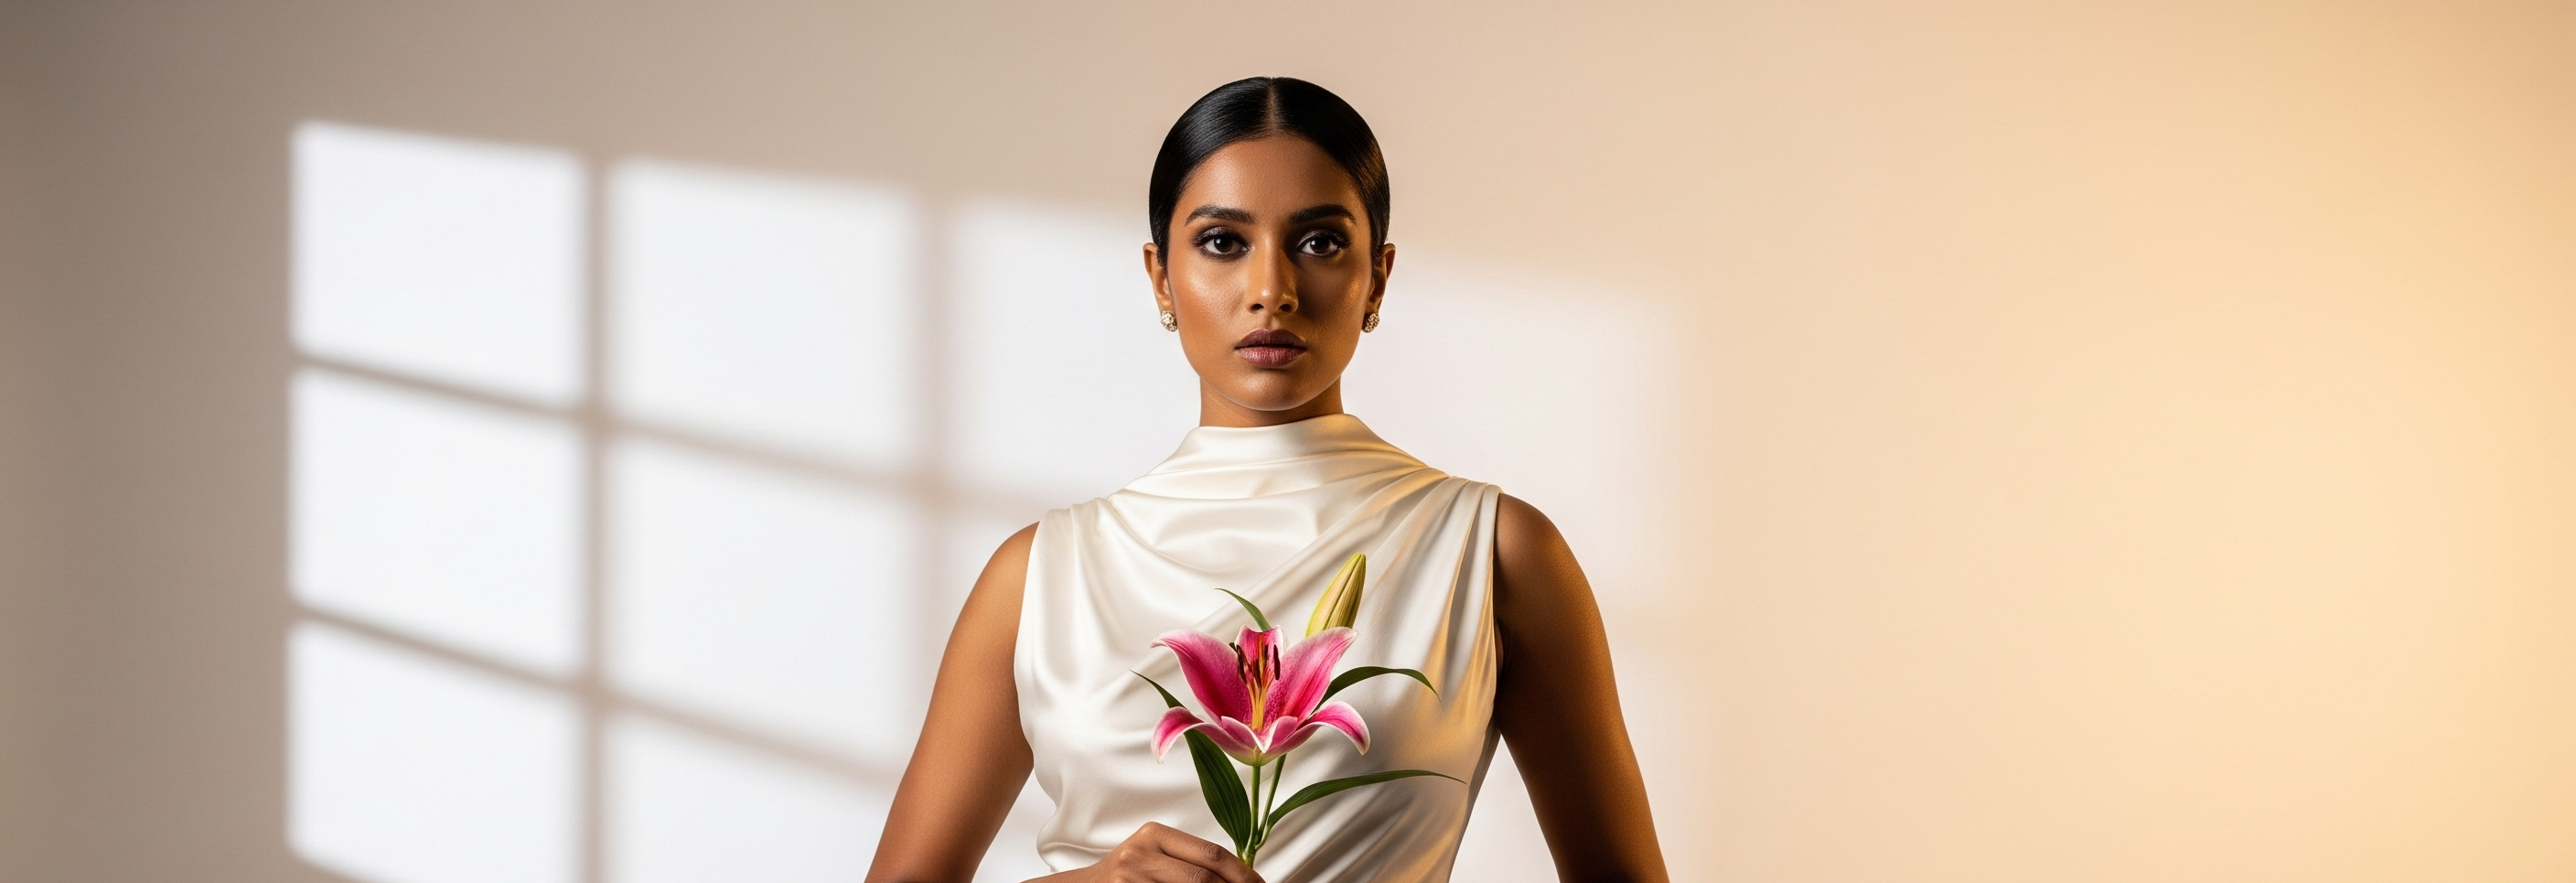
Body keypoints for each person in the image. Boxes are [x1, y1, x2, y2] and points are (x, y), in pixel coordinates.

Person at [866, 77, 1669, 883]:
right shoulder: (1038, 572)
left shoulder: (1493, 551)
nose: (1271, 291)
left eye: (1319, 242)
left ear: (1378, 278)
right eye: (1223, 242)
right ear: (1159, 278)